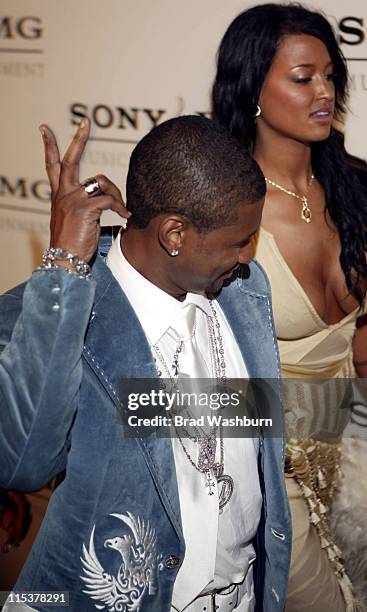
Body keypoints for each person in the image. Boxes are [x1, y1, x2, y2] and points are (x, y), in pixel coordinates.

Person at [0, 115, 291, 611]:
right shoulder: (51, 312)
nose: (248, 256)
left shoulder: (244, 291)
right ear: (174, 233)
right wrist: (64, 271)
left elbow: (248, 443)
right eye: (238, 241)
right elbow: (21, 463)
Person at [212, 3, 367, 611]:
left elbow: (353, 342)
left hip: (344, 447)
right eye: (302, 78)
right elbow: (179, 375)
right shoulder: (224, 207)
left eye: (330, 75)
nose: (324, 91)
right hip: (264, 463)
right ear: (252, 87)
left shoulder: (355, 187)